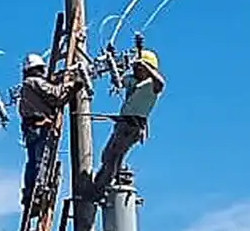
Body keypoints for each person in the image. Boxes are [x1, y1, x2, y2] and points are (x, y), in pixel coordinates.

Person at [92, 48, 165, 199]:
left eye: (139, 68)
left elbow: (161, 83)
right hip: (124, 125)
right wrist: (112, 62)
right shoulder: (133, 80)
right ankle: (104, 183)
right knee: (108, 156)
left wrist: (145, 66)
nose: (135, 70)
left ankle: (98, 189)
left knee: (112, 156)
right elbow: (118, 81)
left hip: (132, 127)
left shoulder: (152, 85)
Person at [18, 52, 74, 206]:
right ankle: (39, 191)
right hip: (40, 128)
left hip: (31, 129)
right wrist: (72, 85)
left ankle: (30, 193)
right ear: (37, 69)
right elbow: (56, 96)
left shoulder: (27, 86)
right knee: (41, 160)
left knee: (33, 162)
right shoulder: (34, 82)